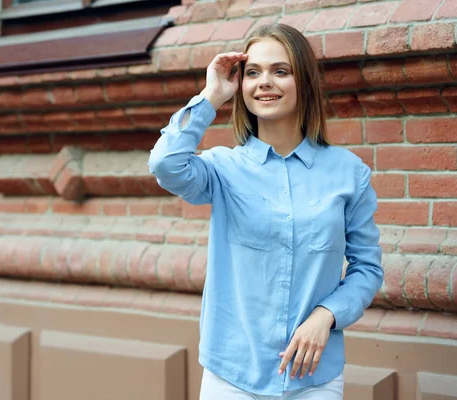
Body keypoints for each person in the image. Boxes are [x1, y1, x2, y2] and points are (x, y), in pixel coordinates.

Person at [149, 23, 384, 399]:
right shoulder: (223, 169)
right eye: (253, 72)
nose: (265, 83)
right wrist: (211, 95)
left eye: (281, 71)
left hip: (314, 379)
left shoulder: (348, 173)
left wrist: (327, 314)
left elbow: (367, 268)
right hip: (233, 375)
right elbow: (165, 164)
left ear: (303, 82)